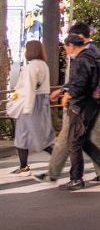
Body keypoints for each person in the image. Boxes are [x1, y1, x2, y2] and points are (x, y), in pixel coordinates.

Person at [53, 33, 100, 190]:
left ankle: (76, 179)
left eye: (66, 48)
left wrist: (68, 94)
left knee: (74, 142)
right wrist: (63, 90)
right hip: (94, 104)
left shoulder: (81, 60)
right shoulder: (93, 56)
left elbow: (80, 82)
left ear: (71, 46)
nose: (66, 51)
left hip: (82, 106)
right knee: (82, 140)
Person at [6, 40, 54, 175]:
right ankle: (24, 166)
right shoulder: (44, 65)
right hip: (42, 103)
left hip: (30, 103)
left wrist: (26, 109)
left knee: (28, 137)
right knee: (40, 136)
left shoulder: (30, 68)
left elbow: (29, 89)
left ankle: (57, 160)